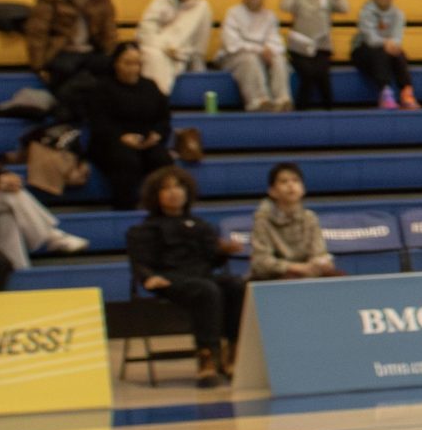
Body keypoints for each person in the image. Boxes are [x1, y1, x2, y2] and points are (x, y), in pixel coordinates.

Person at [126, 166, 244, 387]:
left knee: (236, 285)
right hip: (169, 280)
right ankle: (206, 357)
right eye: (166, 188)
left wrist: (223, 252)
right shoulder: (144, 230)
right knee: (207, 290)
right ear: (155, 195)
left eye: (178, 187)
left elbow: (212, 259)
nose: (173, 192)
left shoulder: (201, 226)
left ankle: (233, 352)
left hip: (201, 277)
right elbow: (140, 262)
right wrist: (148, 278)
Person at [0, 79, 87, 268]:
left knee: (6, 217)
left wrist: (4, 174)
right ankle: (50, 235)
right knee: (10, 196)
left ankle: (19, 268)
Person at [84, 43, 173, 204]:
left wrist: (157, 134)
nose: (133, 69)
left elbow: (163, 118)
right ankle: (125, 207)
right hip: (111, 142)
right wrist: (121, 137)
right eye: (127, 63)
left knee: (162, 159)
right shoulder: (102, 88)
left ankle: (160, 207)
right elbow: (99, 122)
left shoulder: (150, 86)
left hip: (146, 142)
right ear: (116, 63)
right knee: (126, 161)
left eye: (137, 63)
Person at [23, 0, 117, 92]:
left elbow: (108, 26)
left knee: (110, 67)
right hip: (62, 51)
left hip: (91, 50)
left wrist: (112, 52)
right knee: (67, 72)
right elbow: (38, 29)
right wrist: (39, 65)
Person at [132, 0, 214, 97]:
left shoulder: (202, 7)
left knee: (157, 57)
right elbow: (146, 28)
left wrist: (195, 64)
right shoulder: (160, 1)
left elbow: (200, 43)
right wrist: (162, 45)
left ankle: (158, 99)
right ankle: (155, 98)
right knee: (152, 54)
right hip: (155, 47)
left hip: (180, 55)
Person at [246, 163, 338, 280]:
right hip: (274, 277)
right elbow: (261, 261)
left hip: (307, 273)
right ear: (272, 191)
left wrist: (321, 262)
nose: (291, 185)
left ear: (303, 189)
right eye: (284, 182)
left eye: (296, 181)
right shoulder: (262, 219)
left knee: (337, 276)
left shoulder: (310, 217)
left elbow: (319, 252)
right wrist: (296, 267)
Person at [217, 0, 290, 111]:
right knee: (250, 59)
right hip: (235, 58)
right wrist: (259, 50)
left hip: (262, 57)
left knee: (279, 59)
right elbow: (231, 44)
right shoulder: (233, 13)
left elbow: (276, 42)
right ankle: (258, 102)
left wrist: (269, 50)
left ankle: (282, 100)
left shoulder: (270, 16)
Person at [282, 0, 349, 110]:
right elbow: (286, 6)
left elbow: (344, 8)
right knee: (308, 73)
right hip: (299, 48)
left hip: (321, 47)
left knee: (323, 76)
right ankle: (300, 113)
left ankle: (330, 113)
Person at [351, 0, 418, 109]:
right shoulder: (365, 12)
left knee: (400, 54)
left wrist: (393, 44)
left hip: (386, 51)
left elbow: (397, 38)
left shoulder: (399, 15)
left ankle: (406, 91)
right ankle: (385, 93)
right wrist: (387, 43)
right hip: (362, 51)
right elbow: (370, 39)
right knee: (380, 52)